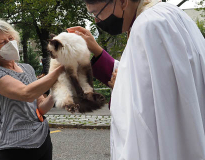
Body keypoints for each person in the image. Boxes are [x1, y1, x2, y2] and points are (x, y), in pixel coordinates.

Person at [67, 0, 205, 159]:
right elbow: (159, 82)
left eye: (97, 13)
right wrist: (96, 49)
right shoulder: (168, 13)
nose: (97, 21)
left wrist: (122, 86)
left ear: (123, 2)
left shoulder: (149, 26)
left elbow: (145, 111)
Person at [0, 18, 64, 160]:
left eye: (10, 38)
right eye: (2, 42)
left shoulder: (27, 68)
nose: (10, 43)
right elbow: (26, 93)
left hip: (42, 140)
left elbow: (40, 107)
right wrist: (62, 69)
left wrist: (58, 89)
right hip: (14, 147)